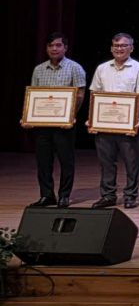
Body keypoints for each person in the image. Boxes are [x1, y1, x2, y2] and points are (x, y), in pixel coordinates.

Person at [89, 33, 139, 208]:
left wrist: (138, 119)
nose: (119, 49)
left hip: (128, 124)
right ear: (111, 48)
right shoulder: (102, 68)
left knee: (132, 162)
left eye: (124, 45)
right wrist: (92, 119)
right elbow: (94, 95)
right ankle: (108, 195)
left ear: (131, 48)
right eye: (116, 46)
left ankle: (130, 196)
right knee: (106, 162)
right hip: (104, 124)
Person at [25, 32, 86, 207]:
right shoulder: (39, 69)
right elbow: (33, 96)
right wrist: (29, 117)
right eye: (51, 45)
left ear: (65, 48)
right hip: (43, 124)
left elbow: (80, 94)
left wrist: (70, 116)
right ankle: (46, 195)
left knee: (66, 161)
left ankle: (64, 195)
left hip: (64, 125)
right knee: (43, 162)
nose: (54, 48)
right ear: (46, 48)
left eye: (58, 45)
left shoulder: (75, 68)